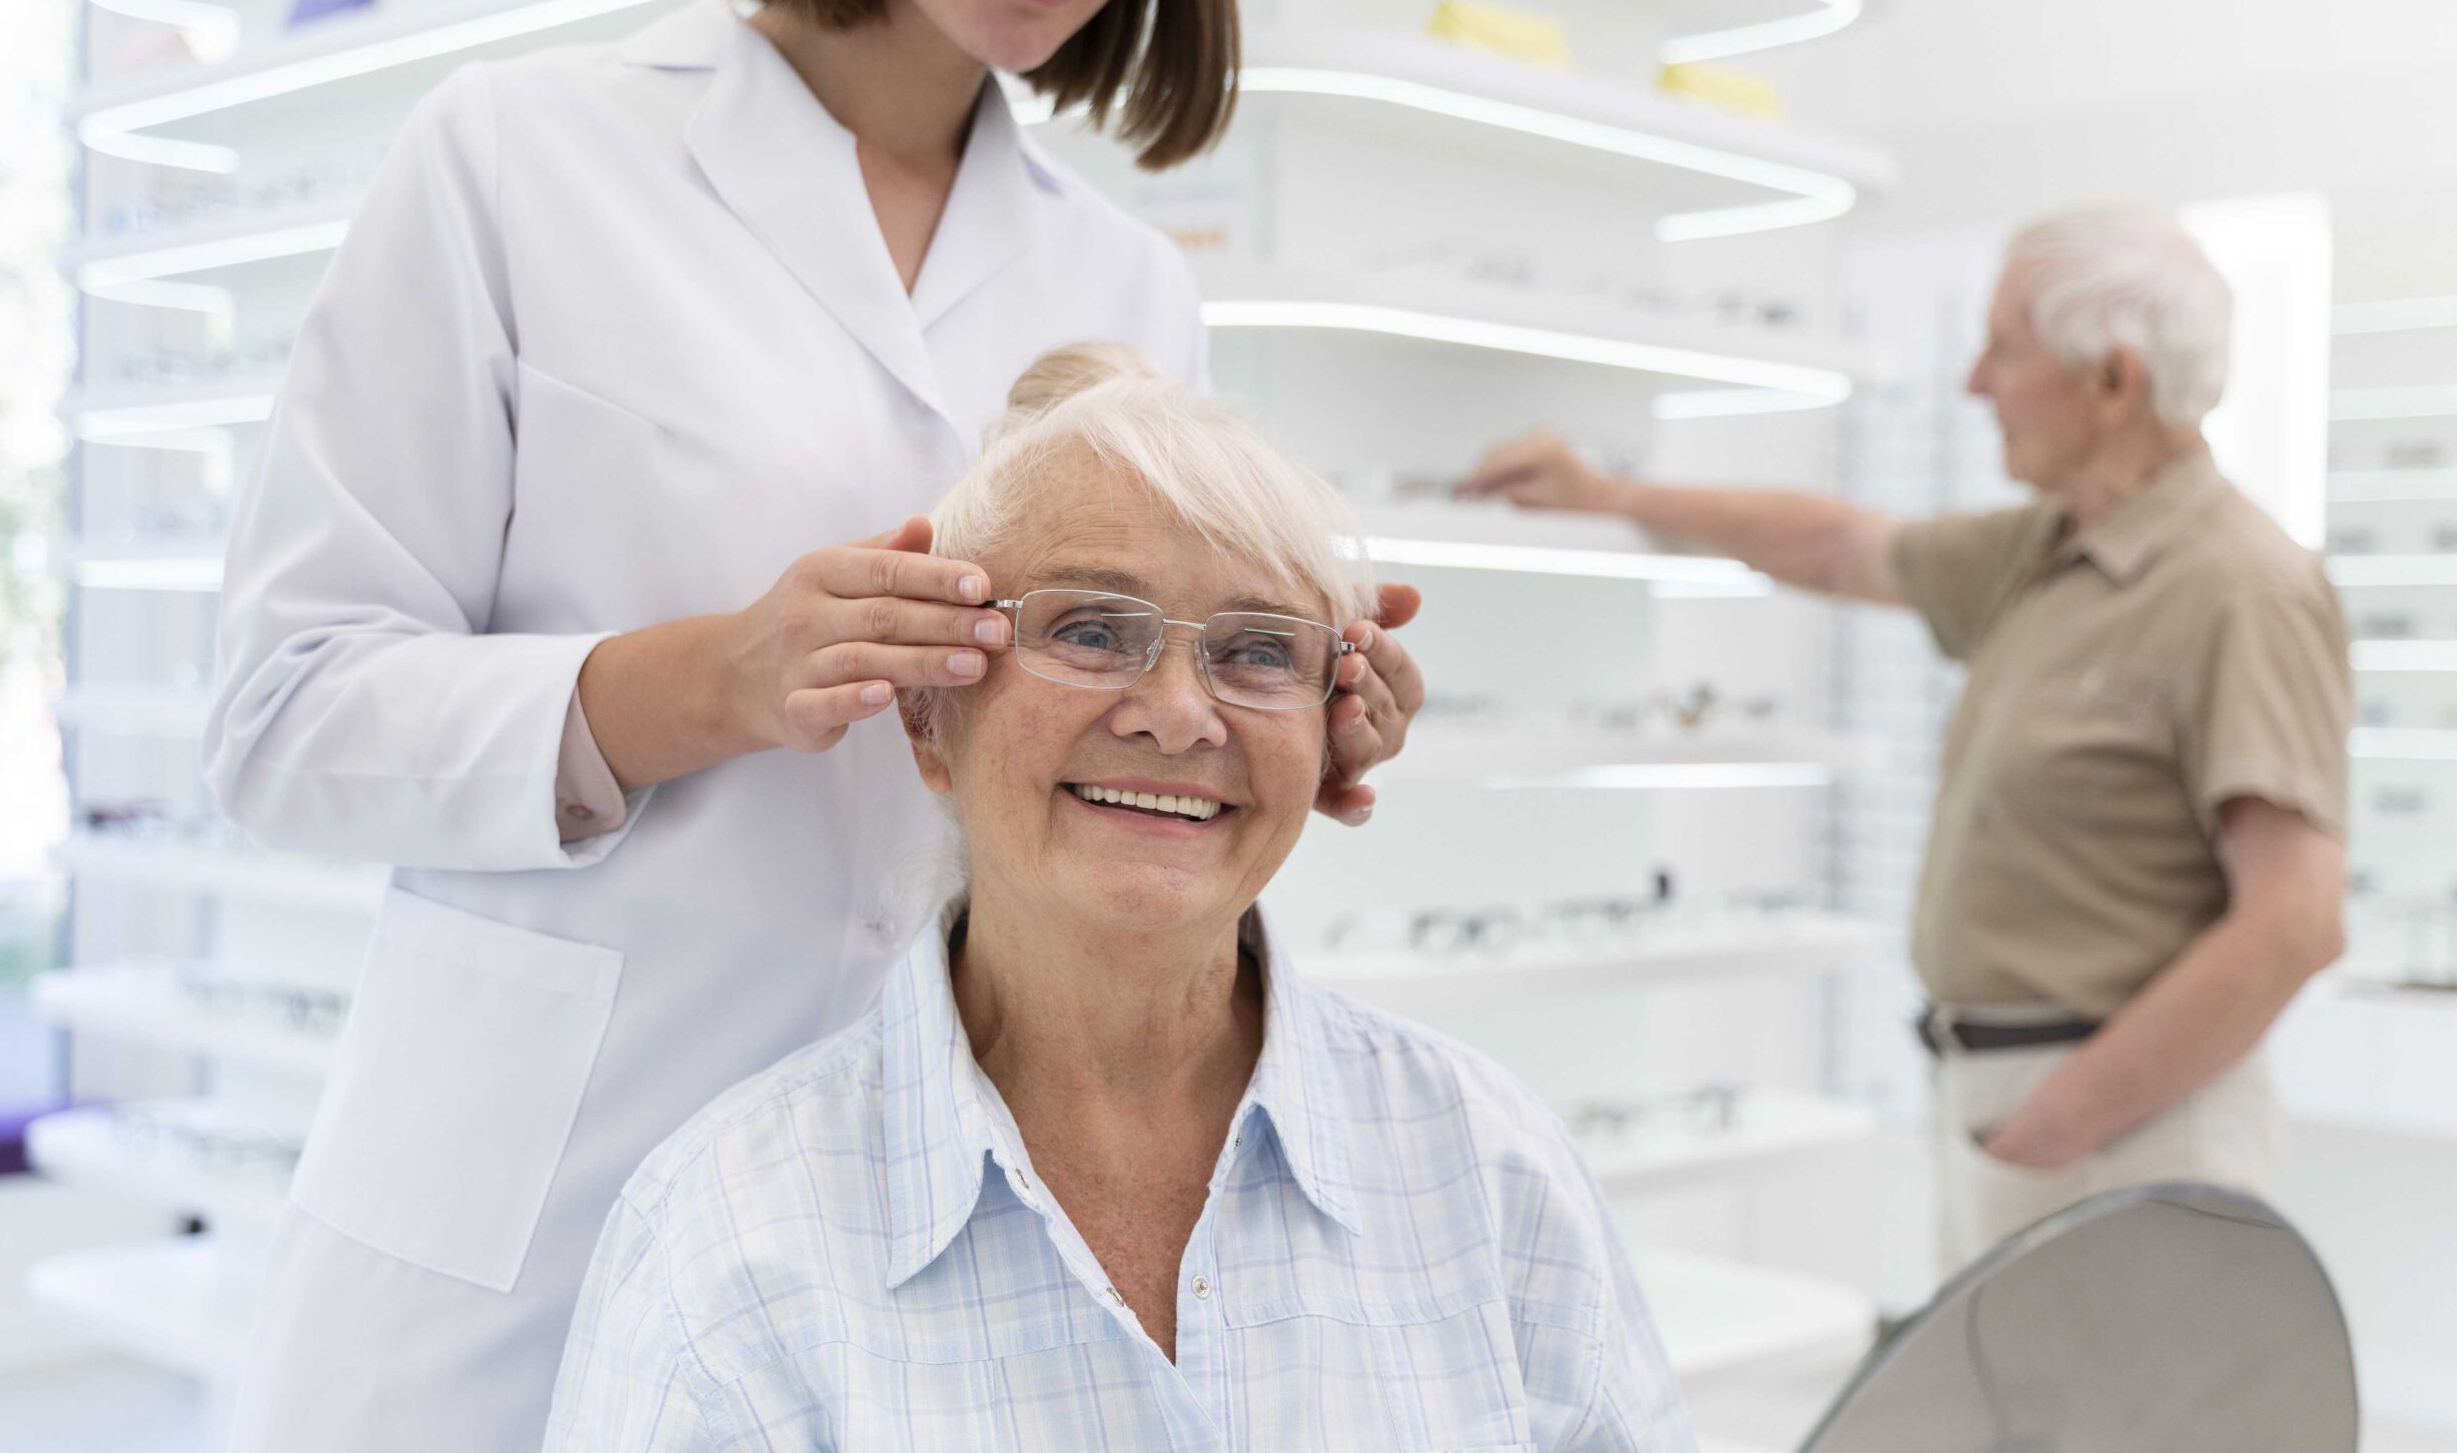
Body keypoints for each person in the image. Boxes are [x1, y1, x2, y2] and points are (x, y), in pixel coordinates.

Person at [200, 0, 1425, 1444]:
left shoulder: (1128, 283)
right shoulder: (519, 153)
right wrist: (709, 682)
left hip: (910, 1239)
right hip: (521, 1233)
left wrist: (1270, 702)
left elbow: (1087, 755)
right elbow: (282, 716)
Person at [543, 344, 1690, 1451]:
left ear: (1334, 730)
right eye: (1092, 631)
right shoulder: (730, 1241)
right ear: (927, 720)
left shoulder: (1488, 1174)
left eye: (1255, 652)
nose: (1180, 714)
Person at [1463, 205, 2349, 1272]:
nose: (1974, 382)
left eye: (2002, 349)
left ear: (2110, 380)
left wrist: (2060, 1121)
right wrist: (1610, 495)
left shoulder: (2241, 586)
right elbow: (1841, 547)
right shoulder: (2047, 547)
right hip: (2011, 1100)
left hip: (2123, 1117)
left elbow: (2293, 922)